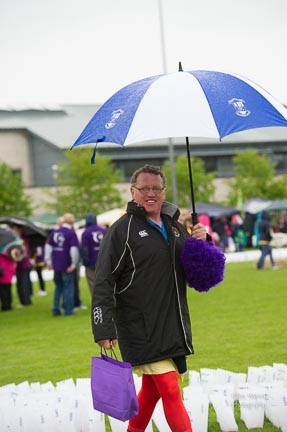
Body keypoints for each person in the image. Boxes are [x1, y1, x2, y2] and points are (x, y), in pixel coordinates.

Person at [91, 165, 208, 432]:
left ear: (164, 191)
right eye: (144, 188)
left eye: (156, 188)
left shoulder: (176, 226)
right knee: (168, 387)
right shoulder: (121, 230)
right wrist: (102, 326)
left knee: (154, 389)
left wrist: (203, 242)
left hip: (173, 323)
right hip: (139, 325)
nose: (151, 193)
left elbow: (199, 274)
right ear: (133, 192)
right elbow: (103, 280)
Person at [45, 213, 80, 316]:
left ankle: (56, 309)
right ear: (72, 222)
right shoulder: (71, 233)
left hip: (56, 264)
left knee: (58, 287)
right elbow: (74, 250)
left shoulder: (54, 232)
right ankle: (68, 310)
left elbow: (48, 247)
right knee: (68, 287)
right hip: (66, 264)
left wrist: (48, 261)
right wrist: (74, 264)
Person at [81, 213, 107, 293]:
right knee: (105, 284)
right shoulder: (103, 230)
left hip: (91, 263)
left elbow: (84, 249)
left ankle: (97, 304)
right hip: (104, 262)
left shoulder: (85, 233)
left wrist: (85, 262)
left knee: (93, 285)